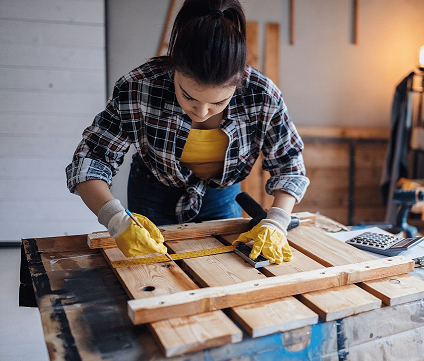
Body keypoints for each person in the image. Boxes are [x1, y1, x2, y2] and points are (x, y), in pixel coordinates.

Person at [65, 0, 309, 264]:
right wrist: (115, 219)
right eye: (188, 96)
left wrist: (277, 222)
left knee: (224, 272)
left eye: (218, 103)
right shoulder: (138, 87)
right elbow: (91, 161)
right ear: (175, 69)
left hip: (220, 196)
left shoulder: (262, 94)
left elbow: (289, 165)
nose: (202, 112)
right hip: (153, 194)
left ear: (238, 80)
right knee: (153, 277)